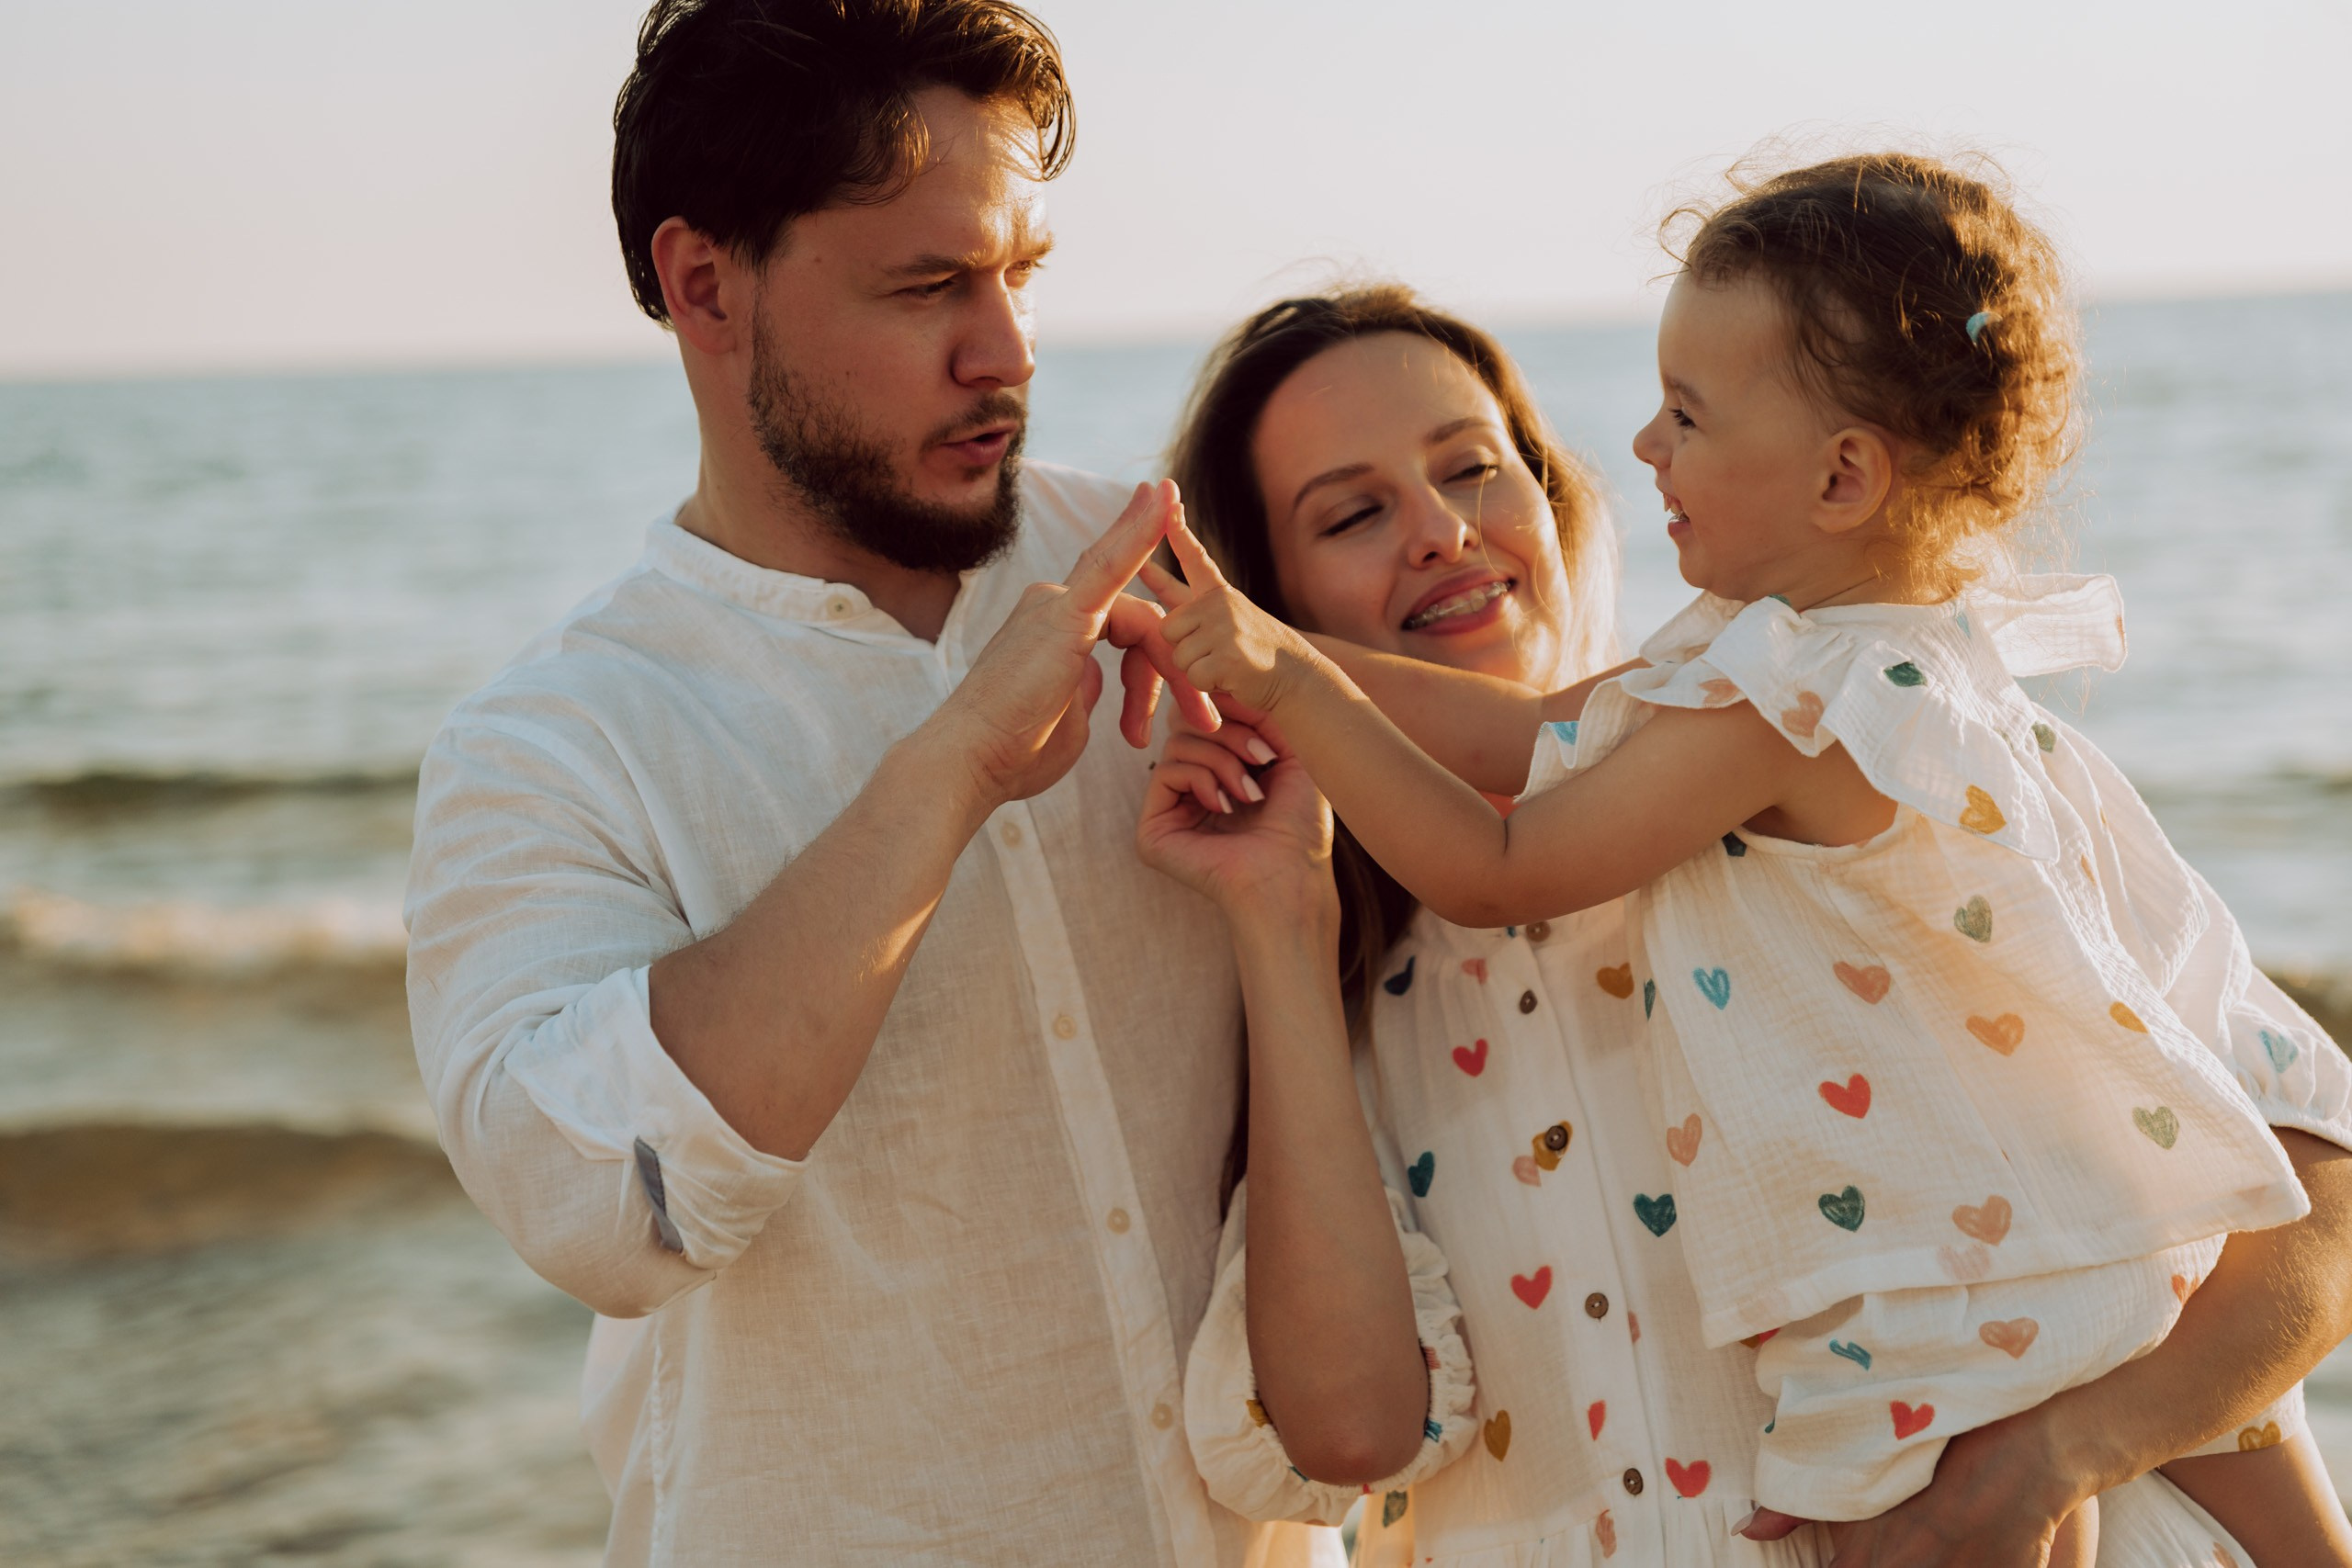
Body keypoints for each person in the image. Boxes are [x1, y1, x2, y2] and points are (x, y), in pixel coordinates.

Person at [1139, 279, 2352, 1566]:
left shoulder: (1862, 762)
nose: (1440, 531)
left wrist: (2067, 1451)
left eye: (1473, 469)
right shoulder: (1349, 981)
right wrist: (1279, 902)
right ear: (1281, 591)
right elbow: (1349, 1432)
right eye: (1356, 513)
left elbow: (2310, 1186)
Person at [401, 3, 1329, 1562]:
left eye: (1020, 272)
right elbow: (603, 1210)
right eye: (927, 286)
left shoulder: (1177, 585)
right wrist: (951, 772)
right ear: (706, 286)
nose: (1008, 351)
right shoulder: (553, 747)